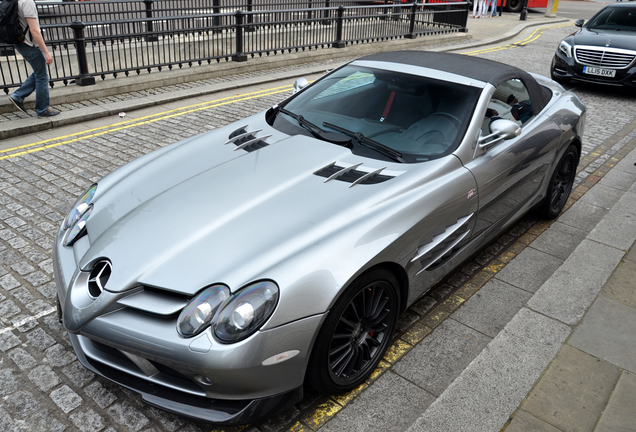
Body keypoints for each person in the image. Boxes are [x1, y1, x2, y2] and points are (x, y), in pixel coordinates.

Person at [8, 0, 60, 118]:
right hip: (31, 45)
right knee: (42, 76)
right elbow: (34, 30)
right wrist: (46, 52)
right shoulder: (27, 2)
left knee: (39, 72)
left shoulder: (15, 1)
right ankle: (42, 109)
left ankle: (18, 96)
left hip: (21, 43)